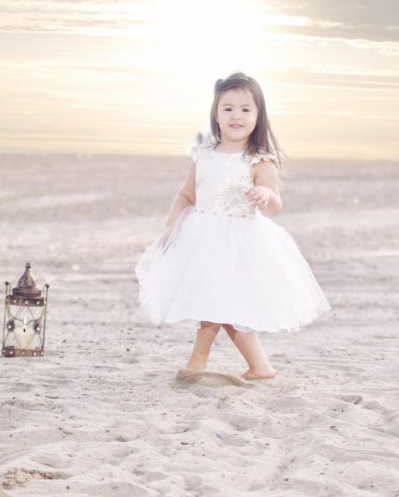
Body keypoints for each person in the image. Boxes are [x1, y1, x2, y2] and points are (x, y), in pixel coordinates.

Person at [135, 72, 330, 380]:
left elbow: (276, 204)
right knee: (214, 301)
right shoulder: (204, 155)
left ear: (257, 115)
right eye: (228, 108)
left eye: (245, 109)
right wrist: (172, 227)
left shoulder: (259, 160)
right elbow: (187, 194)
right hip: (200, 238)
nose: (236, 115)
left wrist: (264, 195)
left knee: (221, 303)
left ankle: (204, 361)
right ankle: (254, 366)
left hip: (239, 240)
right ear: (216, 113)